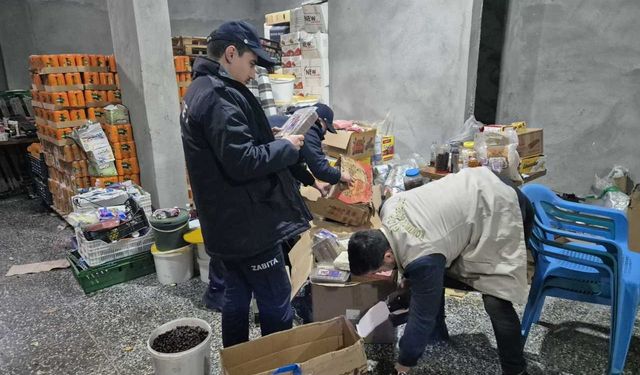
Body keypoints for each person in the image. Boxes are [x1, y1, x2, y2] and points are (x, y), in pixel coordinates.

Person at [180, 20, 312, 348]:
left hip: (225, 223)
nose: (253, 73)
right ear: (230, 53)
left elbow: (228, 146)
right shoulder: (218, 95)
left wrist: (269, 136)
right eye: (251, 63)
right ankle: (278, 366)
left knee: (236, 295)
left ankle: (238, 362)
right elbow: (243, 161)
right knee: (275, 299)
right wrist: (287, 146)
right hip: (248, 225)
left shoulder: (200, 88)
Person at [347, 167, 534, 375]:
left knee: (496, 299)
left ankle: (516, 370)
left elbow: (421, 316)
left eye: (380, 269)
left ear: (387, 256)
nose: (383, 272)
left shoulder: (421, 257)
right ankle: (437, 334)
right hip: (478, 181)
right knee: (432, 279)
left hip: (499, 206)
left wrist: (403, 364)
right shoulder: (388, 207)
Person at [268, 103, 351, 196]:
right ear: (319, 120)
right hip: (262, 175)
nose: (324, 133)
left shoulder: (292, 120)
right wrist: (341, 176)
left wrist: (316, 184)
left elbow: (292, 165)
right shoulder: (308, 128)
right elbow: (320, 168)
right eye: (326, 128)